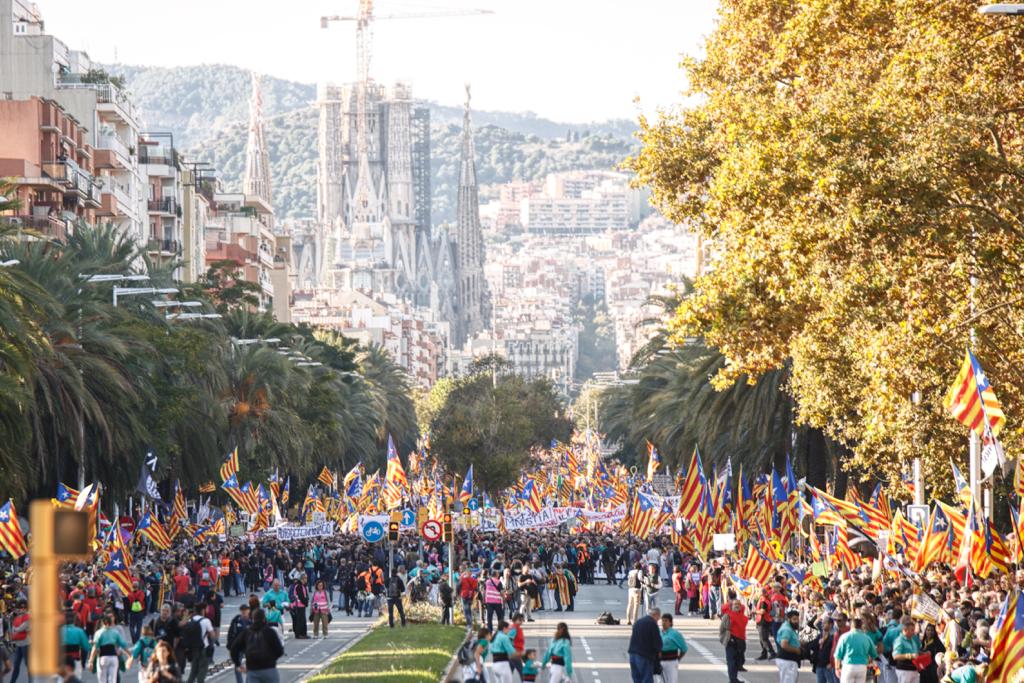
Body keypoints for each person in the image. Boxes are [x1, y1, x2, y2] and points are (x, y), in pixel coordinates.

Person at [229, 608, 285, 683]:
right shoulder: (270, 632)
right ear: (264, 619)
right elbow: (280, 651)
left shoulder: (247, 633)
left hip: (253, 670)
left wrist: (238, 664)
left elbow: (234, 648)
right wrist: (271, 658)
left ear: (253, 619)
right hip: (269, 668)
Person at [834, 616, 879, 683]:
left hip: (848, 666)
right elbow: (874, 654)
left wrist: (837, 668)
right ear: (861, 626)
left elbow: (838, 655)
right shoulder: (867, 638)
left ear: (851, 626)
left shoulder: (844, 637)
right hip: (862, 667)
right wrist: (876, 671)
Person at [89, 614, 130, 683]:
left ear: (102, 622)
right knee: (112, 679)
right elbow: (123, 645)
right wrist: (129, 655)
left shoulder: (99, 633)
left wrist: (91, 660)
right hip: (113, 657)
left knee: (102, 679)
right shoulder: (115, 632)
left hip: (103, 657)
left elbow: (95, 647)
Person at [182, 602, 216, 683]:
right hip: (203, 648)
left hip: (193, 649)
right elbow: (213, 635)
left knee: (193, 671)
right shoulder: (206, 621)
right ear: (203, 610)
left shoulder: (191, 619)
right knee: (202, 670)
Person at [627, 608, 663, 683]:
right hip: (644, 656)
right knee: (647, 679)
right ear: (655, 615)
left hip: (632, 654)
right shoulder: (652, 624)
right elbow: (657, 642)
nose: (657, 621)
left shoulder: (638, 622)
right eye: (658, 618)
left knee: (637, 679)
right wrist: (659, 655)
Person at [722, 598, 749, 683]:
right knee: (731, 661)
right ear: (731, 606)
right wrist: (727, 638)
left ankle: (734, 678)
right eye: (735, 604)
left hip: (741, 640)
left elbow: (743, 607)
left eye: (738, 604)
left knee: (739, 660)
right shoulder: (728, 615)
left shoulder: (743, 616)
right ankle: (733, 679)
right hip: (731, 640)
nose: (737, 605)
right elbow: (722, 629)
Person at [61, 609, 91, 678]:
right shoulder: (80, 631)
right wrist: (83, 662)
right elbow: (86, 647)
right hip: (75, 659)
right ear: (73, 620)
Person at [891, 616, 922, 683]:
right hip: (904, 670)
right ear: (905, 630)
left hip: (914, 669)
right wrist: (910, 656)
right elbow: (895, 656)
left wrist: (922, 653)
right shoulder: (899, 640)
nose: (914, 632)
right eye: (912, 630)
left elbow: (915, 652)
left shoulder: (912, 640)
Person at [659, 614, 688, 683]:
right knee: (660, 681)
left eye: (666, 621)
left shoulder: (675, 634)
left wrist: (678, 659)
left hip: (671, 662)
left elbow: (684, 648)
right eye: (662, 621)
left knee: (671, 681)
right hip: (660, 661)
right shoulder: (659, 633)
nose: (663, 623)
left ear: (671, 622)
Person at [226, 605, 251, 683]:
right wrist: (230, 646)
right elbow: (231, 633)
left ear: (248, 611)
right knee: (237, 666)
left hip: (249, 646)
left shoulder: (251, 621)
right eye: (243, 612)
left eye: (246, 611)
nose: (244, 613)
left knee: (250, 666)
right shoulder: (236, 620)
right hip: (238, 646)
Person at [775, 609, 802, 683]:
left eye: (797, 619)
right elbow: (784, 644)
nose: (796, 621)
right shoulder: (787, 629)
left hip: (789, 660)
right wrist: (796, 650)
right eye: (794, 619)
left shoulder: (789, 628)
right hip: (787, 660)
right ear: (789, 619)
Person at [10, 599, 30, 683]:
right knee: (16, 666)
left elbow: (20, 628)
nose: (22, 609)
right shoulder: (17, 616)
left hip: (26, 644)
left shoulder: (28, 616)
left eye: (24, 607)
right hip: (19, 644)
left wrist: (15, 629)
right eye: (21, 607)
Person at [756, 586, 778, 660]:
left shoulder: (764, 601)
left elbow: (762, 611)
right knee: (762, 638)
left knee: (764, 638)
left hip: (763, 620)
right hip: (766, 620)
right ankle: (764, 653)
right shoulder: (767, 600)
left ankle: (772, 652)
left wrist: (754, 611)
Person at [289, 574, 309, 639]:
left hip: (301, 605)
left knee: (302, 620)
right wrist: (306, 602)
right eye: (304, 578)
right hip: (299, 605)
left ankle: (303, 633)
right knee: (300, 620)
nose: (306, 580)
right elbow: (301, 597)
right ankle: (299, 634)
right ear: (301, 579)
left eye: (306, 578)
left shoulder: (302, 586)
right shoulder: (299, 586)